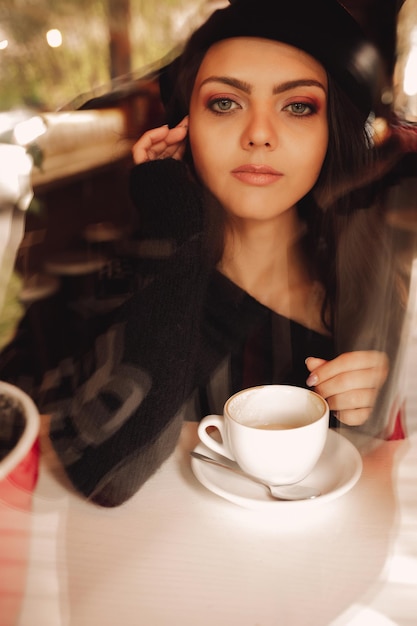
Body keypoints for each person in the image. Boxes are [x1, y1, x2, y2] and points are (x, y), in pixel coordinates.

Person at [42, 0, 407, 506]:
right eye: (225, 103)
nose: (258, 133)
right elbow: (103, 472)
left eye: (298, 106)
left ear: (331, 132)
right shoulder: (128, 272)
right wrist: (172, 220)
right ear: (186, 125)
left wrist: (371, 418)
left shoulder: (369, 285)